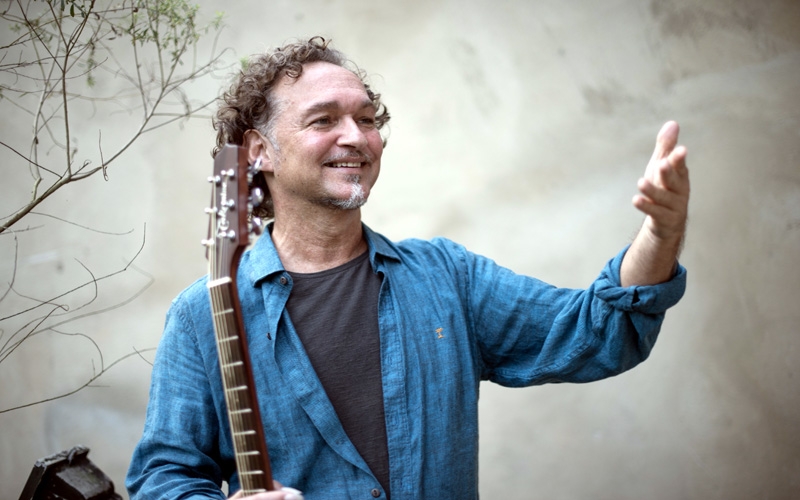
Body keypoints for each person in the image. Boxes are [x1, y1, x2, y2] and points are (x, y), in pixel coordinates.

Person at [126, 37, 689, 500]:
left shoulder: (447, 277)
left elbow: (597, 330)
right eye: (323, 120)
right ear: (259, 151)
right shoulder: (205, 313)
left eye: (366, 118)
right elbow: (164, 478)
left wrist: (660, 234)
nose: (356, 137)